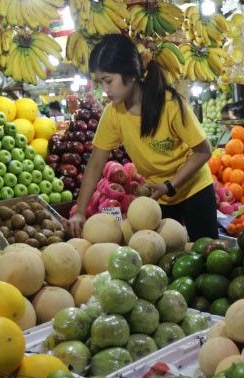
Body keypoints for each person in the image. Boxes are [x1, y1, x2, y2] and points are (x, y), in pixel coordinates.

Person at [68, 34, 217, 241]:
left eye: (108, 80)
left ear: (130, 73)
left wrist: (171, 185)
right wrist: (80, 212)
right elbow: (95, 165)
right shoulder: (113, 113)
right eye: (101, 82)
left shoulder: (170, 104)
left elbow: (204, 151)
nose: (105, 90)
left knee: (207, 254)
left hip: (194, 188)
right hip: (157, 196)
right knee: (164, 259)